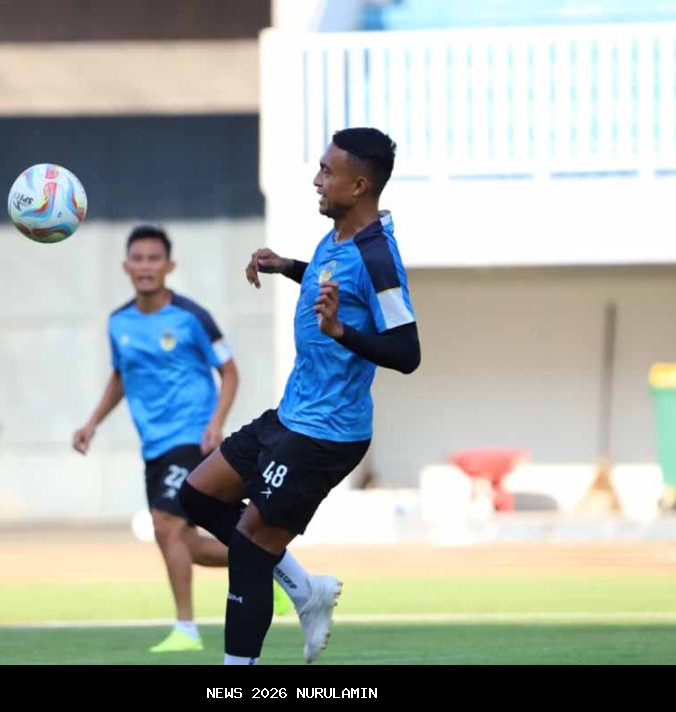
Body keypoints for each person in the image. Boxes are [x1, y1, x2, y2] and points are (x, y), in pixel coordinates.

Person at [178, 127, 420, 665]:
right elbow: (333, 283)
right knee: (196, 496)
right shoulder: (335, 238)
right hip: (291, 415)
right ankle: (305, 587)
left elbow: (407, 351)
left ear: (359, 186)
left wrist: (341, 334)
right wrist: (285, 266)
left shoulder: (380, 256)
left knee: (247, 545)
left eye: (327, 172)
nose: (317, 179)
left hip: (326, 434)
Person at [72, 225, 293, 654]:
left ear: (169, 266)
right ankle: (269, 565)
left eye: (154, 259)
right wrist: (93, 422)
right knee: (182, 542)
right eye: (138, 258)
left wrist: (216, 422)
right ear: (126, 266)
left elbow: (229, 370)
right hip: (153, 445)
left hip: (192, 438)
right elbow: (121, 375)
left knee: (166, 526)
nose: (146, 267)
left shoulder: (193, 317)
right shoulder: (119, 323)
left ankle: (186, 630)